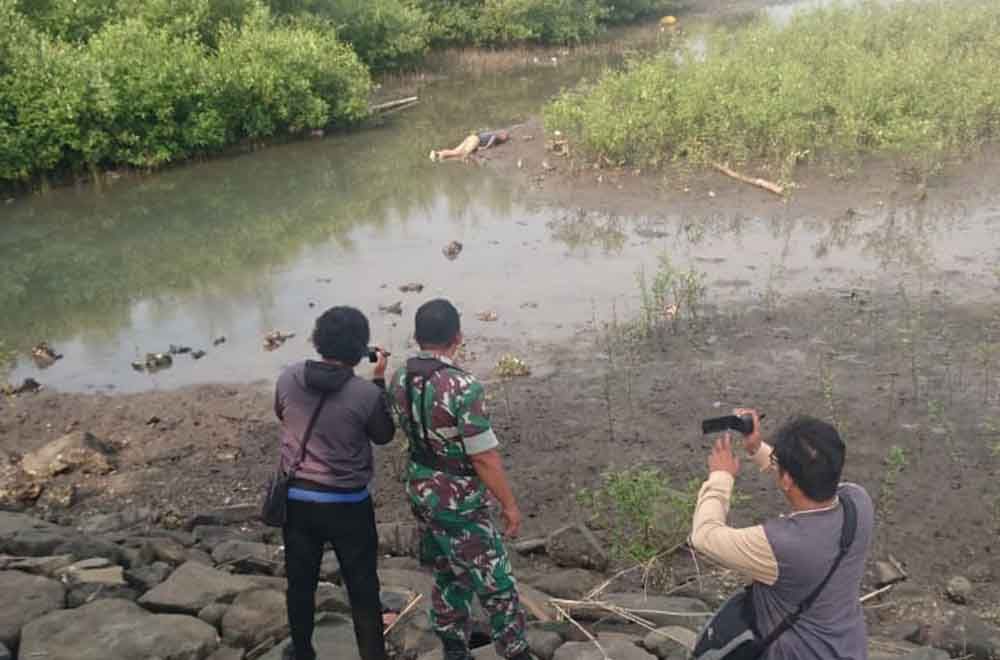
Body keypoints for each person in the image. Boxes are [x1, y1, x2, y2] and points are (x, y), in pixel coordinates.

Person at [388, 299, 531, 660]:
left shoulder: (401, 376)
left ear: (417, 336)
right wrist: (509, 505)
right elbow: (483, 456)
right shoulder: (463, 386)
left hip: (421, 488)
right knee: (497, 581)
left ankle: (453, 645)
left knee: (447, 570)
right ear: (458, 336)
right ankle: (515, 651)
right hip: (458, 498)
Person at [690, 409, 874, 660]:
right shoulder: (858, 503)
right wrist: (757, 448)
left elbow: (703, 535)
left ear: (786, 479)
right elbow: (813, 476)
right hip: (849, 648)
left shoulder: (780, 545)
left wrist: (720, 476)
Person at [274, 306, 395, 660]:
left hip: (297, 499)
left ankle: (302, 652)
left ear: (317, 339)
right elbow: (384, 435)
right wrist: (379, 380)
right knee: (362, 587)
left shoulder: (288, 378)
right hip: (348, 504)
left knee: (300, 583)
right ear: (361, 348)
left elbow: (282, 413)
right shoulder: (364, 394)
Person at [430, 130, 510, 162]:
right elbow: (494, 137)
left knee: (459, 152)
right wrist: (486, 147)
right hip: (476, 139)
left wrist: (486, 147)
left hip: (476, 140)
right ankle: (442, 154)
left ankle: (442, 154)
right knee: (459, 152)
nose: (503, 137)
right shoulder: (493, 136)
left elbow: (494, 138)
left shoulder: (495, 137)